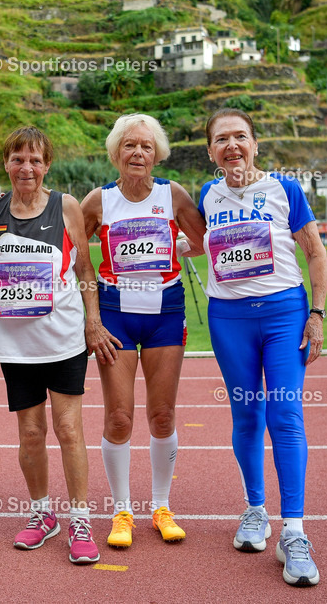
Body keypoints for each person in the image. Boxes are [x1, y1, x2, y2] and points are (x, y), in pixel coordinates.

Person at [0, 126, 120, 565]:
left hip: (64, 337)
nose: (26, 167)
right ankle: (41, 513)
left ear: (47, 165)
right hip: (14, 342)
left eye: (35, 160)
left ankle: (81, 519)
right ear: (6, 163)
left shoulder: (65, 205)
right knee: (31, 432)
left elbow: (85, 269)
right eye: (18, 159)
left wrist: (93, 322)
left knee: (69, 429)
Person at [192, 108, 327, 587]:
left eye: (240, 137)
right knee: (246, 414)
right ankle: (255, 510)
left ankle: (294, 531)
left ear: (255, 144)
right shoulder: (207, 195)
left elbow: (314, 251)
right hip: (229, 319)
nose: (232, 146)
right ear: (210, 151)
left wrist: (317, 314)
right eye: (221, 139)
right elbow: (190, 240)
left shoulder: (285, 189)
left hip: (283, 314)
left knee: (285, 414)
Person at [79, 114, 204, 549]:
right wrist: (91, 317)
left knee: (162, 414)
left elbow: (205, 239)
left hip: (165, 313)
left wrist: (181, 246)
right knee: (119, 417)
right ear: (116, 153)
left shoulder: (173, 195)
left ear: (157, 154)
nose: (137, 153)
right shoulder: (98, 200)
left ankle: (161, 507)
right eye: (129, 145)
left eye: (146, 146)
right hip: (115, 314)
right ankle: (122, 511)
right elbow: (73, 253)